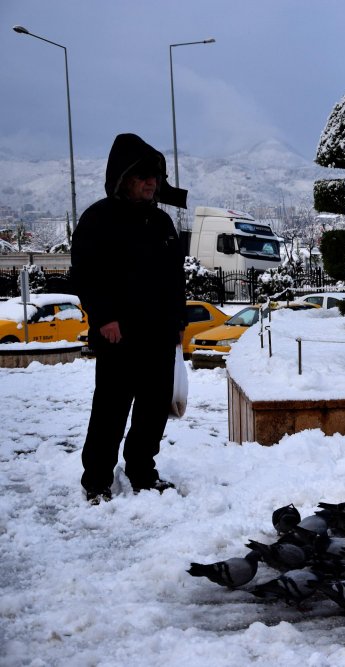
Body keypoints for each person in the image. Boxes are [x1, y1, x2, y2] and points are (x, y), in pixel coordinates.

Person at [71, 133, 188, 504]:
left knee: (153, 412)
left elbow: (174, 279)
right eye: (143, 176)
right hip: (117, 335)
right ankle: (97, 480)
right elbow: (86, 276)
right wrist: (105, 317)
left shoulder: (162, 224)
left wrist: (177, 324)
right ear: (123, 179)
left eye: (155, 176)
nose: (152, 182)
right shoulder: (98, 220)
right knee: (110, 409)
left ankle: (141, 471)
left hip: (158, 334)